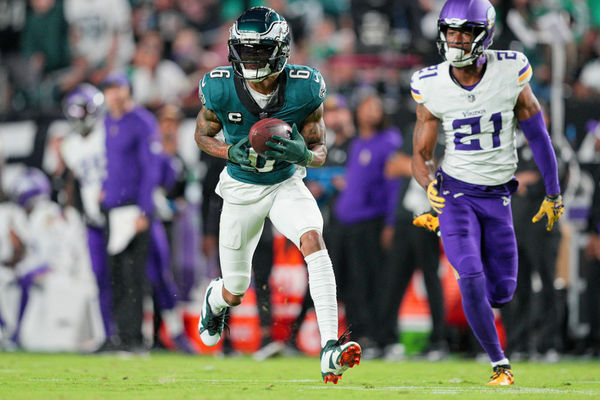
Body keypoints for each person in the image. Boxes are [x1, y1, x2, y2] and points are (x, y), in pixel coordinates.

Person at [194, 7, 361, 383]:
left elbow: (319, 149)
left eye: (259, 51)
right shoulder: (219, 86)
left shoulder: (305, 86)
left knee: (313, 241)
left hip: (285, 183)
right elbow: (202, 135)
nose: (251, 59)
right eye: (245, 51)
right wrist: (228, 151)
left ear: (281, 50)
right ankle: (215, 300)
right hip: (239, 188)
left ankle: (330, 345)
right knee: (236, 289)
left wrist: (304, 155)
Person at [410, 0, 564, 386]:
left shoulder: (510, 69)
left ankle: (495, 333)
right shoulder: (429, 83)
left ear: (484, 35)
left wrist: (553, 191)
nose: (455, 40)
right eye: (450, 31)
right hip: (456, 194)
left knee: (502, 291)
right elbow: (421, 155)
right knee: (470, 274)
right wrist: (428, 184)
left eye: (464, 32)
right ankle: (500, 364)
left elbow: (538, 134)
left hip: (498, 198)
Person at [100, 71, 161, 352]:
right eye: (110, 89)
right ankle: (120, 335)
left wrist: (145, 211)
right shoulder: (107, 122)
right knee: (116, 277)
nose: (114, 94)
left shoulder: (141, 122)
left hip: (134, 209)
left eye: (118, 88)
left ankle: (136, 338)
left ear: (128, 90)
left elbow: (151, 169)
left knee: (135, 276)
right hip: (112, 210)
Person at [61, 83, 113, 343]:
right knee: (100, 279)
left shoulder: (107, 132)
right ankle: (108, 335)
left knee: (125, 278)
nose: (79, 118)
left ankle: (130, 334)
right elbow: (75, 182)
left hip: (115, 214)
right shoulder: (69, 145)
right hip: (93, 220)